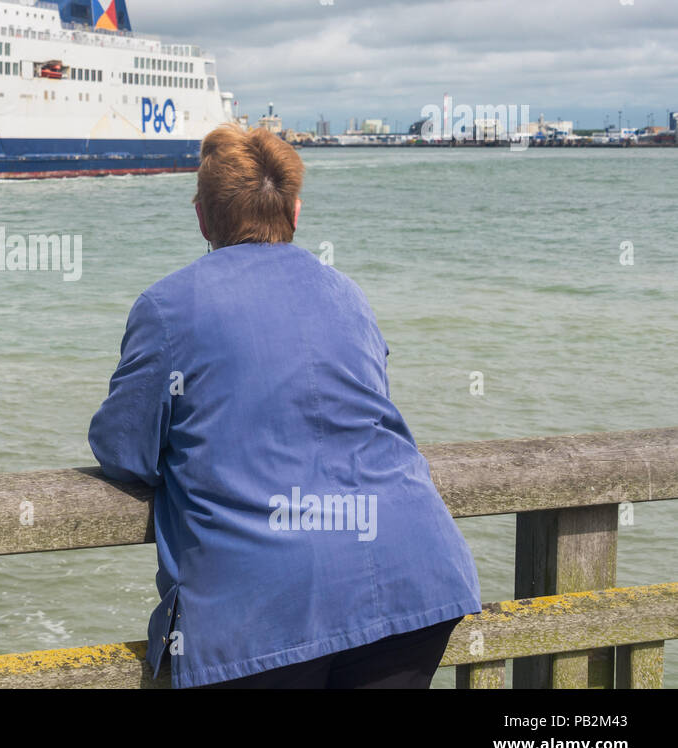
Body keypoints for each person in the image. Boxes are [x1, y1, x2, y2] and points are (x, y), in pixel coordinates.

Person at [88, 125, 481, 689]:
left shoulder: (167, 305)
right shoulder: (347, 293)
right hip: (412, 572)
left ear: (203, 217)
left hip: (266, 609)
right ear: (295, 212)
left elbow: (125, 450)